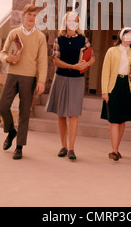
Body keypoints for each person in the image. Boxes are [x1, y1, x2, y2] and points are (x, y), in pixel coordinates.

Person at [0, 4, 47, 160]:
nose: (32, 18)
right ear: (24, 15)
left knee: (24, 112)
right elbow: (3, 52)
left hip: (29, 77)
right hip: (12, 74)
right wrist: (7, 58)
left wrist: (41, 80)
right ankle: (11, 131)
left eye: (35, 15)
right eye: (29, 14)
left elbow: (42, 61)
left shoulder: (40, 37)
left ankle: (19, 147)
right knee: (3, 105)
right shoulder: (14, 33)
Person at [46, 11, 95, 160]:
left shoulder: (83, 39)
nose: (72, 22)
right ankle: (63, 146)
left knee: (73, 114)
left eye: (75, 20)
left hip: (77, 80)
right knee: (61, 114)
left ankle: (72, 148)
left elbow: (92, 57)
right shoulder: (58, 40)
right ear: (65, 22)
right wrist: (72, 66)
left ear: (78, 23)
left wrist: (86, 63)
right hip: (61, 77)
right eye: (69, 20)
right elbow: (56, 61)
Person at [101, 27, 131, 161]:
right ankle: (114, 150)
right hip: (114, 86)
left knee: (122, 120)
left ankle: (116, 149)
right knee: (114, 120)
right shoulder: (111, 51)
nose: (129, 38)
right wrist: (104, 91)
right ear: (121, 36)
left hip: (128, 86)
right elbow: (105, 72)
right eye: (127, 35)